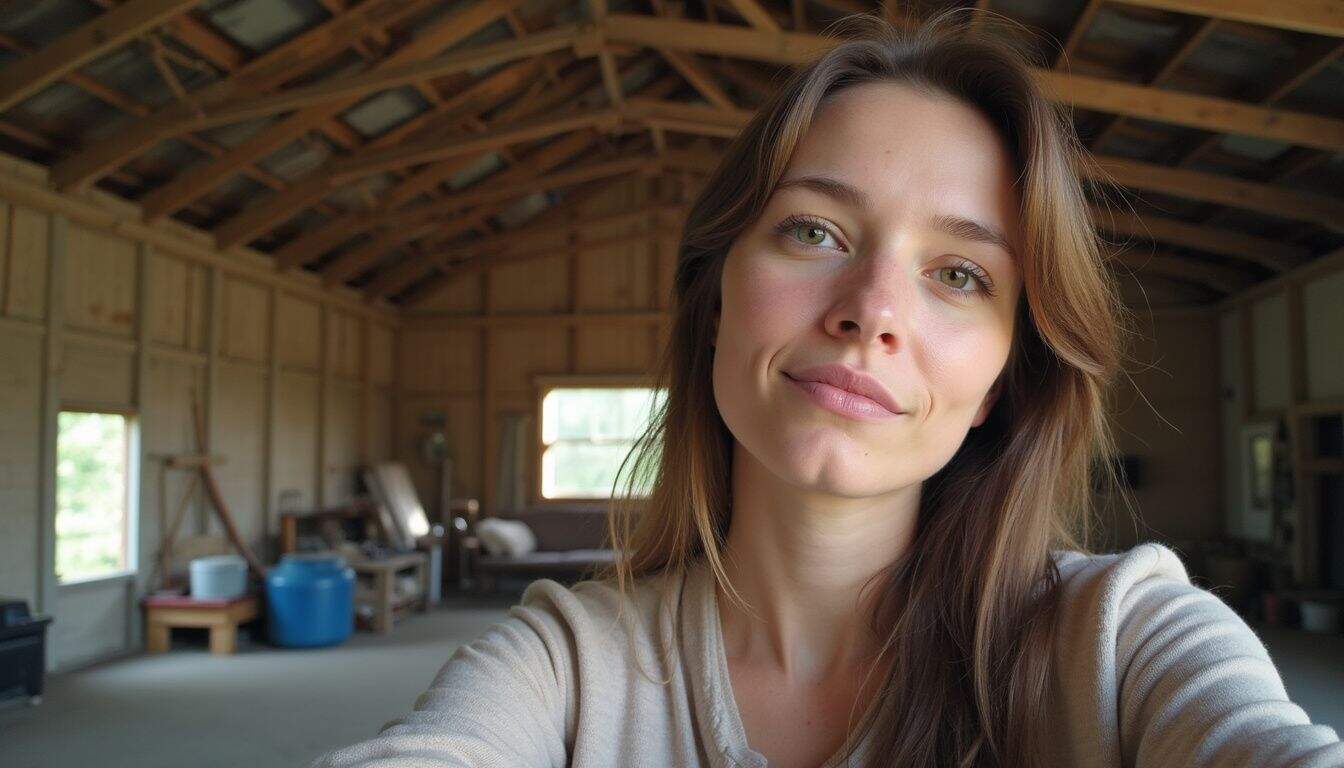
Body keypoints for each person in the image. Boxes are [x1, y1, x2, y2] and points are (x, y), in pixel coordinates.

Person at [313, 10, 1343, 768]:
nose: (872, 309)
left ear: (995, 386)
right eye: (817, 230)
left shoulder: (1123, 642)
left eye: (960, 275)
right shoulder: (569, 669)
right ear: (717, 298)